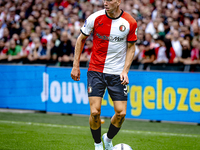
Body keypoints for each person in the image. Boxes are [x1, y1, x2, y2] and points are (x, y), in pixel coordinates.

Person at [71, 0, 137, 149]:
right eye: (104, 0)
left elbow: (131, 47)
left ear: (119, 1)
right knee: (95, 112)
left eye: (109, 0)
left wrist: (125, 70)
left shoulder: (130, 22)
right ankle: (98, 145)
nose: (105, 2)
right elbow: (80, 39)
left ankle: (107, 139)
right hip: (96, 70)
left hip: (117, 73)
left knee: (121, 113)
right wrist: (76, 65)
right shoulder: (95, 18)